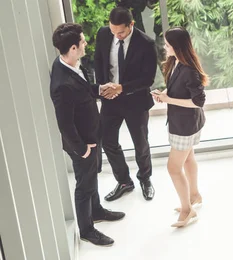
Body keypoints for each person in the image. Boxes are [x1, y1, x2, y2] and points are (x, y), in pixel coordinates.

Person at [50, 23, 125, 246]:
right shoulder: (61, 84)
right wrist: (82, 149)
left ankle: (97, 211)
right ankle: (86, 229)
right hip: (82, 144)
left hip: (91, 134)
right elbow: (64, 123)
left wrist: (100, 90)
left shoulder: (70, 64)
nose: (85, 44)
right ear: (73, 48)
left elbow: (83, 90)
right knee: (84, 185)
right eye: (82, 42)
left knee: (92, 177)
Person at [94, 7, 158, 201]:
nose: (116, 36)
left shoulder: (146, 44)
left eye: (120, 32)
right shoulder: (104, 34)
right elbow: (98, 61)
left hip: (136, 101)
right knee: (107, 141)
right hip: (110, 101)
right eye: (113, 31)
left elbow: (148, 79)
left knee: (140, 143)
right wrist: (103, 88)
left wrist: (121, 88)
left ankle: (145, 178)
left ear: (131, 24)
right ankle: (124, 181)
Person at [151, 27, 208, 227]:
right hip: (186, 122)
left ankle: (187, 210)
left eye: (167, 45)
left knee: (173, 168)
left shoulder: (189, 70)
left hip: (185, 125)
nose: (164, 47)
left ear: (176, 46)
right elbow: (177, 89)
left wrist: (169, 99)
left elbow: (198, 101)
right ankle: (194, 195)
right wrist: (165, 95)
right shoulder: (176, 62)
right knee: (188, 158)